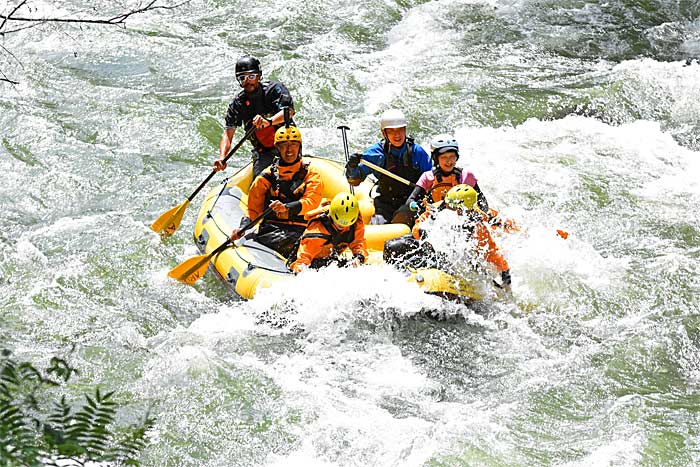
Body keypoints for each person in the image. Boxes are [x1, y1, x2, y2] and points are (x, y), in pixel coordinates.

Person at [384, 184, 511, 292]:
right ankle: (392, 277)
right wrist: (421, 231)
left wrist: (505, 271)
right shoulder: (438, 208)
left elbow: (491, 251)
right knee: (392, 246)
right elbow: (419, 224)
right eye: (448, 204)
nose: (448, 207)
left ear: (464, 209)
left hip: (455, 262)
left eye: (452, 206)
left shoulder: (476, 225)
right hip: (431, 250)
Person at [230, 125, 323, 258]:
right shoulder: (266, 177)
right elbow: (253, 210)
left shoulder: (311, 174)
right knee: (293, 245)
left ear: (299, 147)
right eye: (284, 145)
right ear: (277, 148)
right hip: (273, 230)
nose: (289, 149)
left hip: (302, 229)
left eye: (294, 144)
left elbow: (311, 202)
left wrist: (285, 208)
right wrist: (242, 228)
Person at [344, 109, 431, 225]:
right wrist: (352, 166)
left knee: (405, 214)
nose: (397, 135)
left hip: (412, 202)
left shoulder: (417, 152)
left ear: (405, 130)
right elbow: (354, 180)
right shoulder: (376, 153)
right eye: (391, 131)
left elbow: (431, 179)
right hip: (386, 205)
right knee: (377, 225)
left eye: (400, 130)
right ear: (384, 133)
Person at [214, 55, 295, 178]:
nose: (247, 81)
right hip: (263, 151)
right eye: (242, 78)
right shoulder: (238, 103)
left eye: (251, 76)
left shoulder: (274, 90)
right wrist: (222, 157)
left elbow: (288, 112)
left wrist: (269, 121)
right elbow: (228, 133)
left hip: (288, 143)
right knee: (259, 184)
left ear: (259, 76)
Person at [405, 133, 489, 211]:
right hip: (436, 217)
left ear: (457, 157)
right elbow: (410, 200)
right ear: (436, 158)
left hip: (462, 218)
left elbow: (481, 200)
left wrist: (486, 214)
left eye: (452, 156)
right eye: (443, 157)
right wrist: (415, 206)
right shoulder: (428, 177)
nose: (448, 161)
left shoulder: (465, 175)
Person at [288, 192, 368, 273]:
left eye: (346, 224)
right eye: (338, 223)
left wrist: (359, 258)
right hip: (310, 260)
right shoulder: (318, 229)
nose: (342, 226)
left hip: (330, 259)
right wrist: (300, 269)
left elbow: (358, 244)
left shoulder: (356, 223)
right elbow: (305, 255)